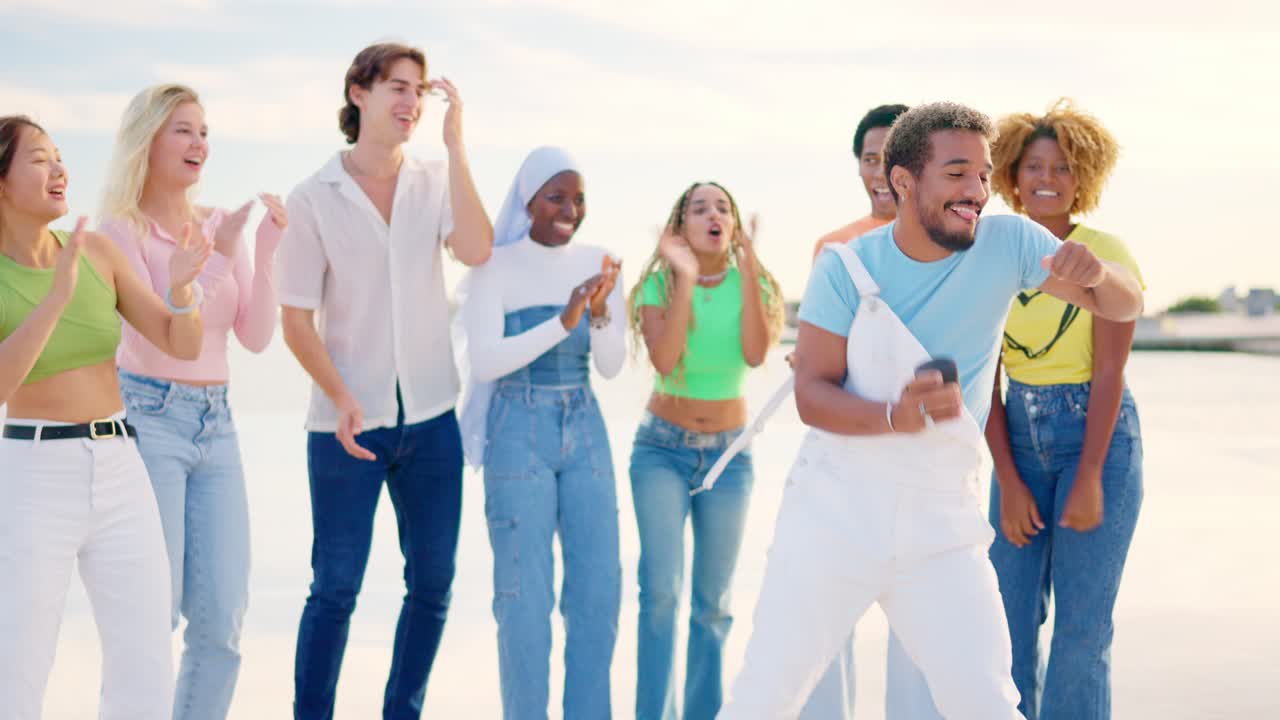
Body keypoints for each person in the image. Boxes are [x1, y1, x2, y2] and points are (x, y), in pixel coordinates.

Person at [717, 101, 1144, 719]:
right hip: (833, 516)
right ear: (903, 180)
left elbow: (1124, 306)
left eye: (982, 174)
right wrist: (895, 416)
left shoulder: (1011, 243)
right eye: (956, 173)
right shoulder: (846, 268)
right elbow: (812, 392)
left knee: (988, 703)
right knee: (764, 698)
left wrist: (1100, 273)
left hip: (942, 522)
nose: (977, 191)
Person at [276, 42, 493, 719]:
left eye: (420, 91)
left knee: (432, 584)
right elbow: (295, 320)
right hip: (345, 429)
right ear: (358, 93)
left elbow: (477, 249)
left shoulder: (433, 181)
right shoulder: (314, 197)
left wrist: (458, 150)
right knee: (335, 588)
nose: (411, 102)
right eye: (397, 87)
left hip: (431, 423)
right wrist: (343, 396)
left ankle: (403, 711)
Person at [0, 114, 210, 719]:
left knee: (145, 663)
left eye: (60, 155)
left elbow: (180, 343)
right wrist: (56, 297)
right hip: (34, 473)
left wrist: (183, 290)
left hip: (120, 464)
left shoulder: (95, 251)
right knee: (18, 664)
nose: (59, 168)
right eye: (39, 158)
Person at [96, 83, 288, 720]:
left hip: (219, 424)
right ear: (148, 140)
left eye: (204, 130)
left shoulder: (215, 225)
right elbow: (169, 336)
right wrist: (221, 256)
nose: (199, 142)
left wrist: (262, 254)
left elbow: (255, 338)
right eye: (183, 129)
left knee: (222, 622)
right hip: (148, 419)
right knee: (155, 613)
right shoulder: (118, 232)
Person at [985, 99, 1144, 720]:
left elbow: (1109, 371)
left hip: (1096, 440)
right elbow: (986, 379)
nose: (1047, 178)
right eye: (1033, 166)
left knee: (1082, 636)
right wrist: (1007, 478)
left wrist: (1087, 479)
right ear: (1012, 176)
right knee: (1007, 629)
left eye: (1062, 167)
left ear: (1084, 177)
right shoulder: (991, 247)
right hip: (1016, 438)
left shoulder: (1104, 250)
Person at [457, 146, 625, 719]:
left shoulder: (601, 261)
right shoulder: (494, 267)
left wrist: (598, 312)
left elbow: (609, 365)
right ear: (526, 201)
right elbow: (484, 362)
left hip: (585, 424)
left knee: (598, 593)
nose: (570, 209)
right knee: (524, 599)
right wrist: (565, 319)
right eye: (556, 197)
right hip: (516, 428)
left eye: (578, 198)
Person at [626, 180, 785, 720]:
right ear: (680, 227)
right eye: (700, 208)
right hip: (661, 452)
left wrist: (749, 268)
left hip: (729, 458)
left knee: (713, 607)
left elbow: (757, 354)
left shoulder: (754, 282)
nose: (713, 214)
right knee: (660, 597)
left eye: (723, 207)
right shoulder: (658, 285)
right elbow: (667, 362)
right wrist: (688, 278)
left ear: (734, 225)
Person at [811, 103, 910, 261]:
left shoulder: (954, 244)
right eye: (870, 160)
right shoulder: (834, 249)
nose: (881, 174)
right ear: (859, 165)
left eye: (895, 159)